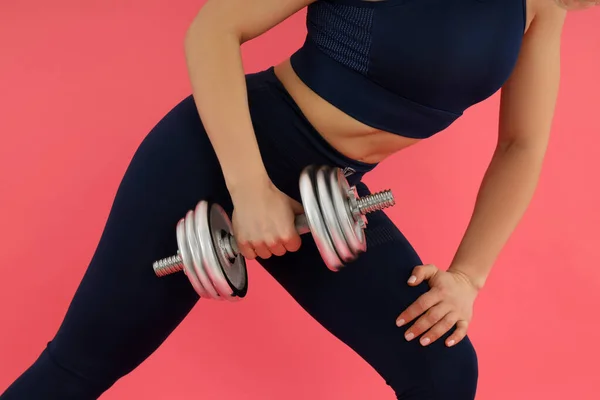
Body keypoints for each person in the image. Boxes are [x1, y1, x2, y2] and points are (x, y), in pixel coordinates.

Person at [1, 0, 597, 399]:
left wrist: (468, 277)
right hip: (219, 148)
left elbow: (522, 144)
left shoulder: (540, 8)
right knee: (80, 368)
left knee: (441, 369)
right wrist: (249, 189)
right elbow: (213, 29)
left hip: (326, 196)